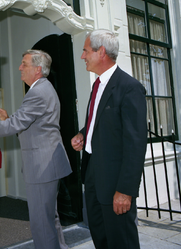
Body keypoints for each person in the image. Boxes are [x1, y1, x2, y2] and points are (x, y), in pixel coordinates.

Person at [0, 49, 72, 249]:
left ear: (37, 69)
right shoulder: (43, 88)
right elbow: (31, 125)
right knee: (49, 219)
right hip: (48, 165)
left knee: (41, 224)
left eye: (24, 64)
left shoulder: (37, 92)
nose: (20, 67)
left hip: (42, 168)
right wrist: (10, 119)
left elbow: (15, 127)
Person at [71, 29, 147, 249]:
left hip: (116, 183)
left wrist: (125, 190)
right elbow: (99, 120)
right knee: (101, 239)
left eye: (85, 51)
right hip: (93, 175)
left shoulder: (130, 88)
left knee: (121, 242)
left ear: (101, 52)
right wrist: (83, 134)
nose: (82, 56)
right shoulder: (97, 85)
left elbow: (135, 144)